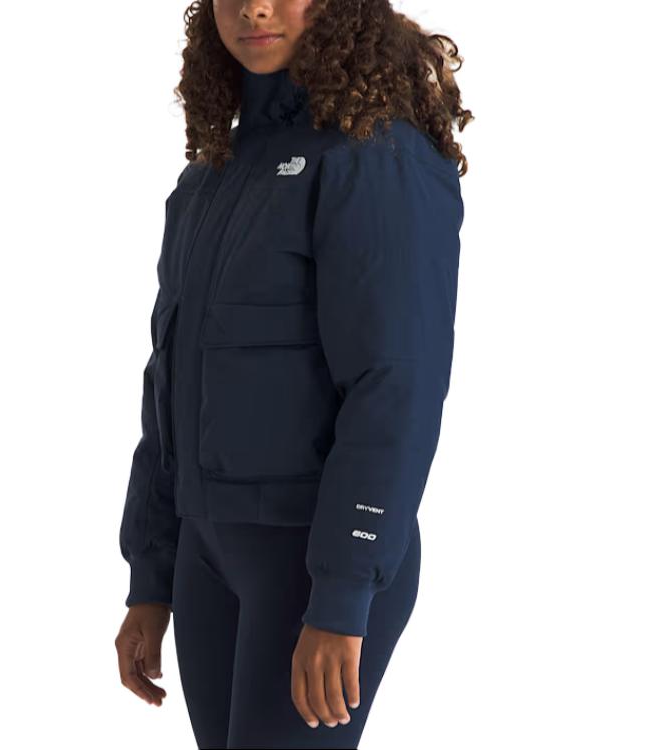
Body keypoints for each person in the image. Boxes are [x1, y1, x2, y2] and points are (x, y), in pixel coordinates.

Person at [115, 1, 472, 747]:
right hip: (207, 557)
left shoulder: (374, 156)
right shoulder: (213, 173)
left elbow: (394, 388)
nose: (255, 7)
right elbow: (168, 381)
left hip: (311, 560)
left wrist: (341, 594)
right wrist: (152, 573)